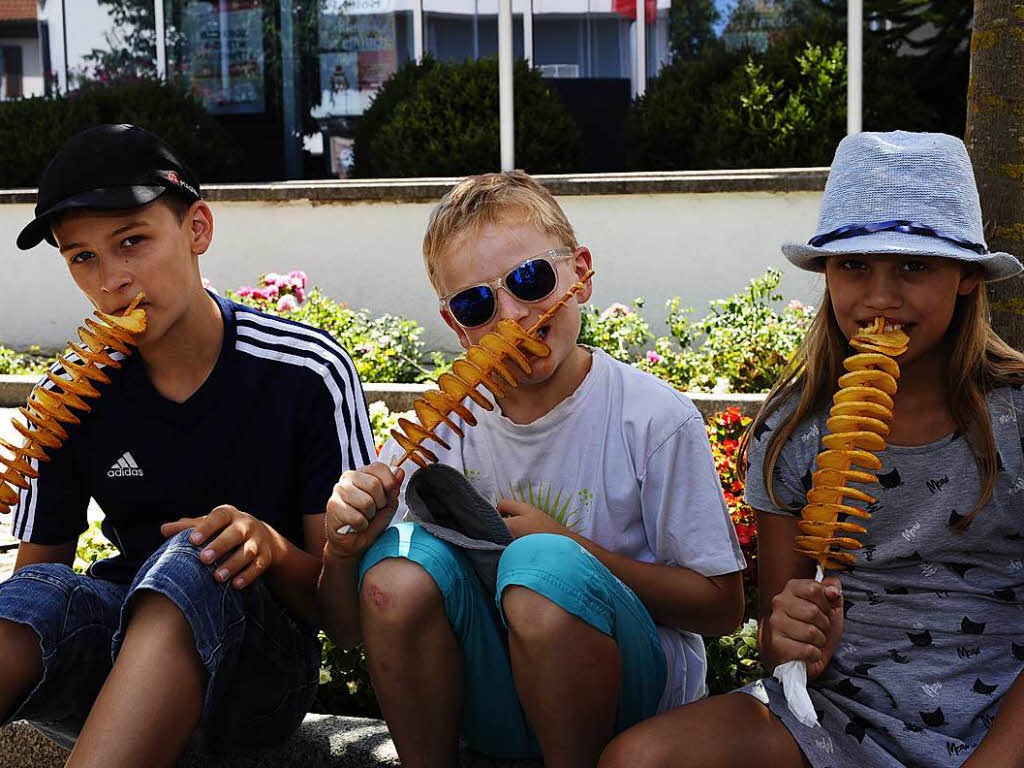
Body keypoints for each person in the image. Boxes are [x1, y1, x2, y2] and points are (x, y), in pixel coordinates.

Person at [598, 131, 1024, 768]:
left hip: (1004, 712)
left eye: (914, 265)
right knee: (638, 760)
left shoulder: (1014, 418)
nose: (880, 297)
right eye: (854, 265)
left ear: (965, 276)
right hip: (833, 711)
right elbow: (778, 639)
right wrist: (790, 634)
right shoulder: (793, 433)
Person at [316, 170, 747, 768]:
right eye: (476, 302)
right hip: (495, 699)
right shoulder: (437, 437)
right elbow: (344, 628)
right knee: (397, 569)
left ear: (582, 274)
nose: (513, 315)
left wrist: (573, 549)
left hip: (634, 707)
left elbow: (723, 608)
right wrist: (346, 548)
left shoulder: (651, 419)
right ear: (455, 325)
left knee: (541, 566)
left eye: (530, 279)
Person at [0, 124, 376, 767]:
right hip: (117, 643)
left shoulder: (306, 372)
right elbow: (41, 589)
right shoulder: (68, 393)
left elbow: (342, 620)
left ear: (197, 229)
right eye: (81, 257)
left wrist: (268, 545)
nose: (111, 280)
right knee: (33, 595)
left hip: (258, 674)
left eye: (132, 242)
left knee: (197, 554)